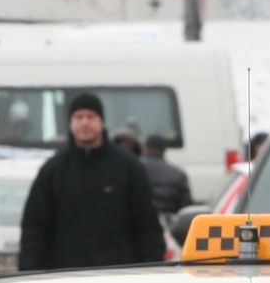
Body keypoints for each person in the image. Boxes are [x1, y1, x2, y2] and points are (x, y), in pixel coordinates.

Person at [18, 92, 164, 271]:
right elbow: (35, 228)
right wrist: (31, 273)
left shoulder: (128, 168)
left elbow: (148, 225)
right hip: (65, 278)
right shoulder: (53, 170)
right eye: (78, 117)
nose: (85, 122)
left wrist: (151, 270)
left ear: (101, 121)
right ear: (70, 123)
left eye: (91, 116)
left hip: (119, 276)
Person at [142, 133, 194, 215]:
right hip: (169, 222)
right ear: (164, 150)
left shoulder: (134, 170)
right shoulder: (178, 174)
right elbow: (186, 208)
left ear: (144, 148)